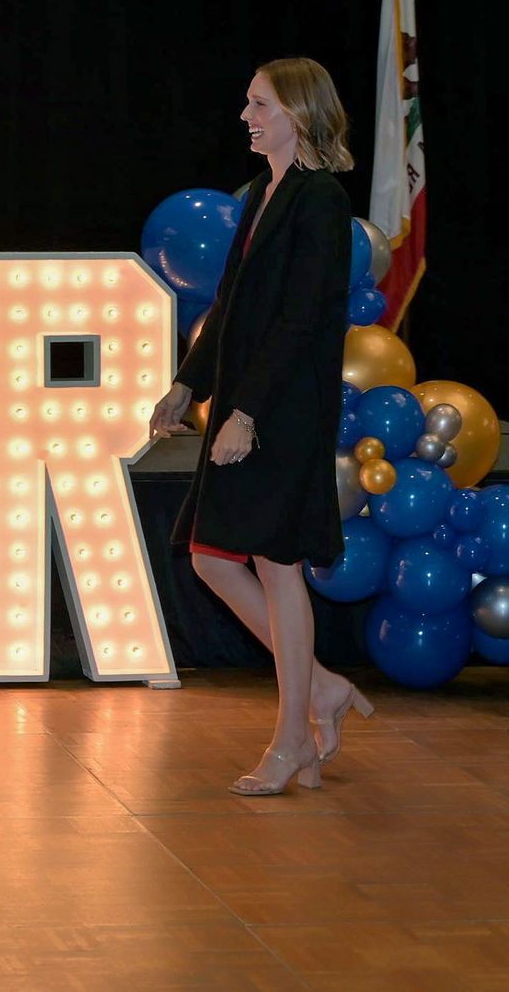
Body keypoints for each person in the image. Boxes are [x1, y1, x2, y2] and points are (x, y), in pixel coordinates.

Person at [150, 56, 373, 797]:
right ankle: (322, 689)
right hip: (246, 401)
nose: (246, 117)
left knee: (275, 566)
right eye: (248, 103)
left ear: (299, 114)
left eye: (260, 104)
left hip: (283, 410)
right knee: (212, 557)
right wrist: (188, 384)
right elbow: (233, 302)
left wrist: (245, 412)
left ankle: (292, 740)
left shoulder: (321, 199)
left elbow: (303, 318)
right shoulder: (263, 193)